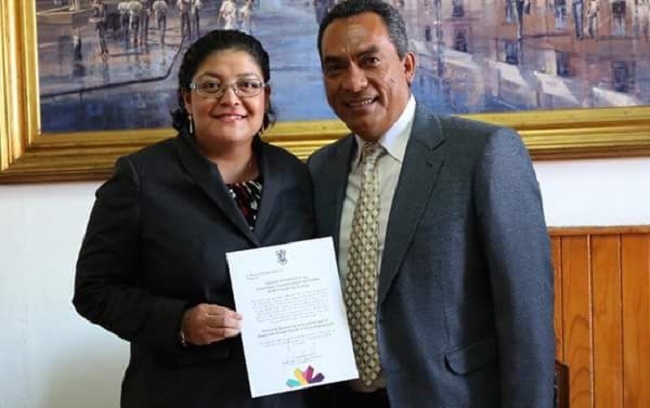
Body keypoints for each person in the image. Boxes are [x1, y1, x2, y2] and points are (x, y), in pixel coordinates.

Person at [307, 0, 555, 407]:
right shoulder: (320, 169)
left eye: (370, 61)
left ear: (407, 66)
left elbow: (526, 314)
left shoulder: (483, 153)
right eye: (335, 68)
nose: (353, 82)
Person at [73, 29, 314, 408]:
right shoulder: (141, 177)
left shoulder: (295, 175)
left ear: (265, 96)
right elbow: (93, 291)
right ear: (187, 99)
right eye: (211, 86)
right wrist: (179, 323)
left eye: (247, 85)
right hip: (184, 394)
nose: (230, 99)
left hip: (286, 394)